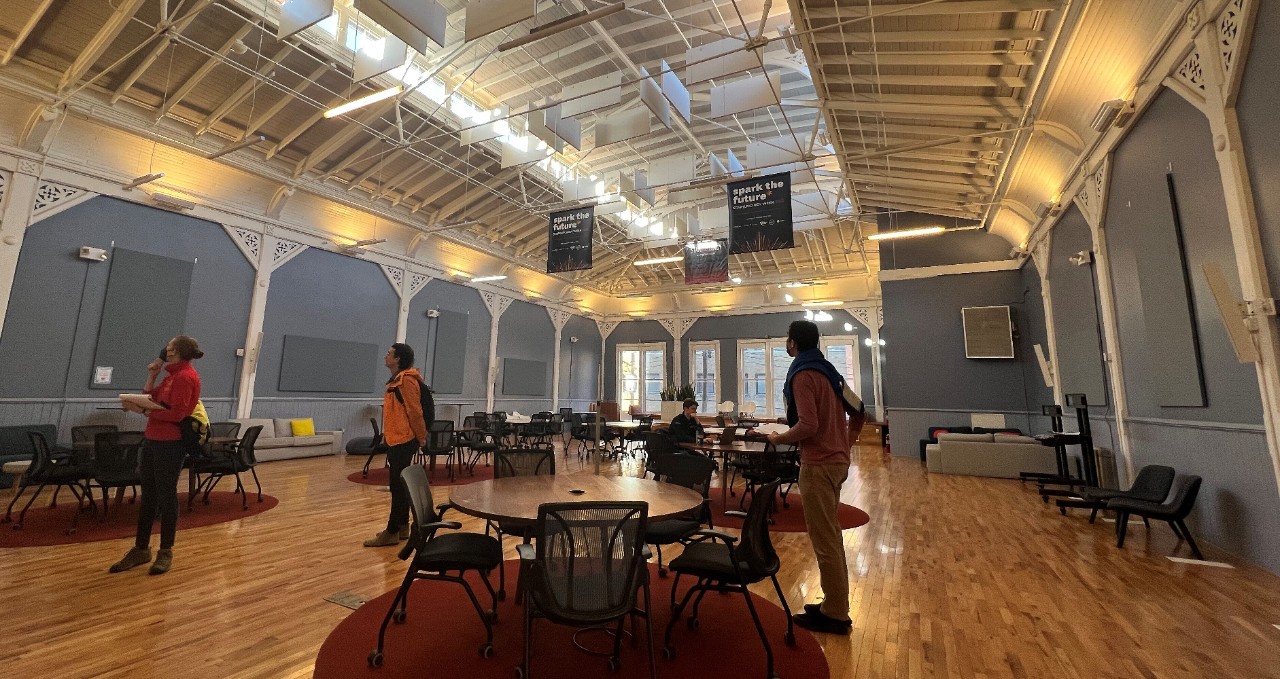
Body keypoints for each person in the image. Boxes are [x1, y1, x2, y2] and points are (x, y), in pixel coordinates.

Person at [765, 320, 863, 635]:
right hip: (836, 461)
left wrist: (777, 439)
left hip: (819, 464)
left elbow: (808, 425)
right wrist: (846, 444)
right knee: (830, 536)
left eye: (786, 339)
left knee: (825, 540)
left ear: (792, 342)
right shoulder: (829, 371)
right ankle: (833, 602)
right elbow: (860, 410)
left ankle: (835, 613)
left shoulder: (803, 375)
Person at [110, 336, 203, 575]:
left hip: (170, 445)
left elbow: (178, 415)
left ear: (177, 352)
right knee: (149, 497)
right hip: (153, 440)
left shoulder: (185, 377)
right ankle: (141, 549)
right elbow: (151, 398)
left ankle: (165, 552)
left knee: (166, 497)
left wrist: (142, 410)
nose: (166, 350)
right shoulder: (170, 376)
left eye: (170, 347)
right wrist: (152, 375)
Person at [364, 343, 429, 547]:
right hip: (396, 439)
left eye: (389, 353)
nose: (386, 355)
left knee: (399, 486)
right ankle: (402, 526)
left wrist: (421, 437)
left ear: (398, 358)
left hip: (405, 439)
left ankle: (392, 530)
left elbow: (415, 412)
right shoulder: (395, 380)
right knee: (398, 485)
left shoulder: (406, 381)